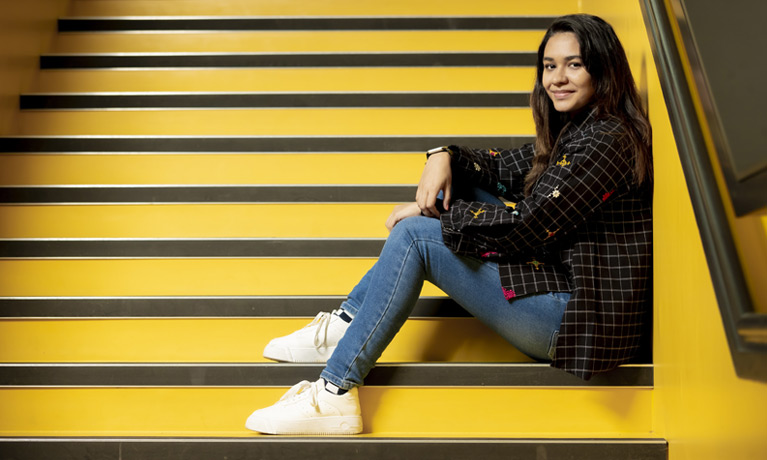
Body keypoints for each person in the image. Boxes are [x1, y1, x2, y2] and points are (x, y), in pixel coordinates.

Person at [245, 13, 653, 435]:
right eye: (550, 66)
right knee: (453, 190)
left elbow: (526, 228)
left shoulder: (606, 142)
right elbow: (508, 166)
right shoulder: (583, 130)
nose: (557, 78)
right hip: (561, 296)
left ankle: (335, 390)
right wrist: (443, 154)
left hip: (573, 321)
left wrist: (432, 216)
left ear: (603, 70)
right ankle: (348, 325)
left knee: (414, 238)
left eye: (574, 64)